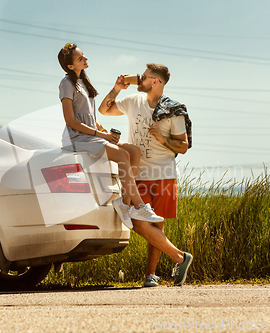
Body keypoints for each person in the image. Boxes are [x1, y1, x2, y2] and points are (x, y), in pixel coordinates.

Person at [98, 63, 193, 287]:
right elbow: (104, 110)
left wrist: (163, 139)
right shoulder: (133, 101)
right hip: (137, 175)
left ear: (156, 82)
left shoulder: (173, 110)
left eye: (146, 77)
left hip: (164, 174)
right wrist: (117, 88)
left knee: (155, 227)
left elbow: (183, 146)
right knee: (139, 223)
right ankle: (179, 257)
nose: (141, 79)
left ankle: (150, 276)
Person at [57, 43, 164, 224]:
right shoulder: (66, 84)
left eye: (84, 56)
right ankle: (139, 207)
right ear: (70, 66)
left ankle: (124, 202)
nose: (85, 59)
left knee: (134, 151)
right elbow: (71, 120)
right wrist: (101, 136)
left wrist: (103, 130)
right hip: (77, 137)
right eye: (80, 58)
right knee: (122, 155)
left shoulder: (83, 81)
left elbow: (89, 114)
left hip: (92, 135)